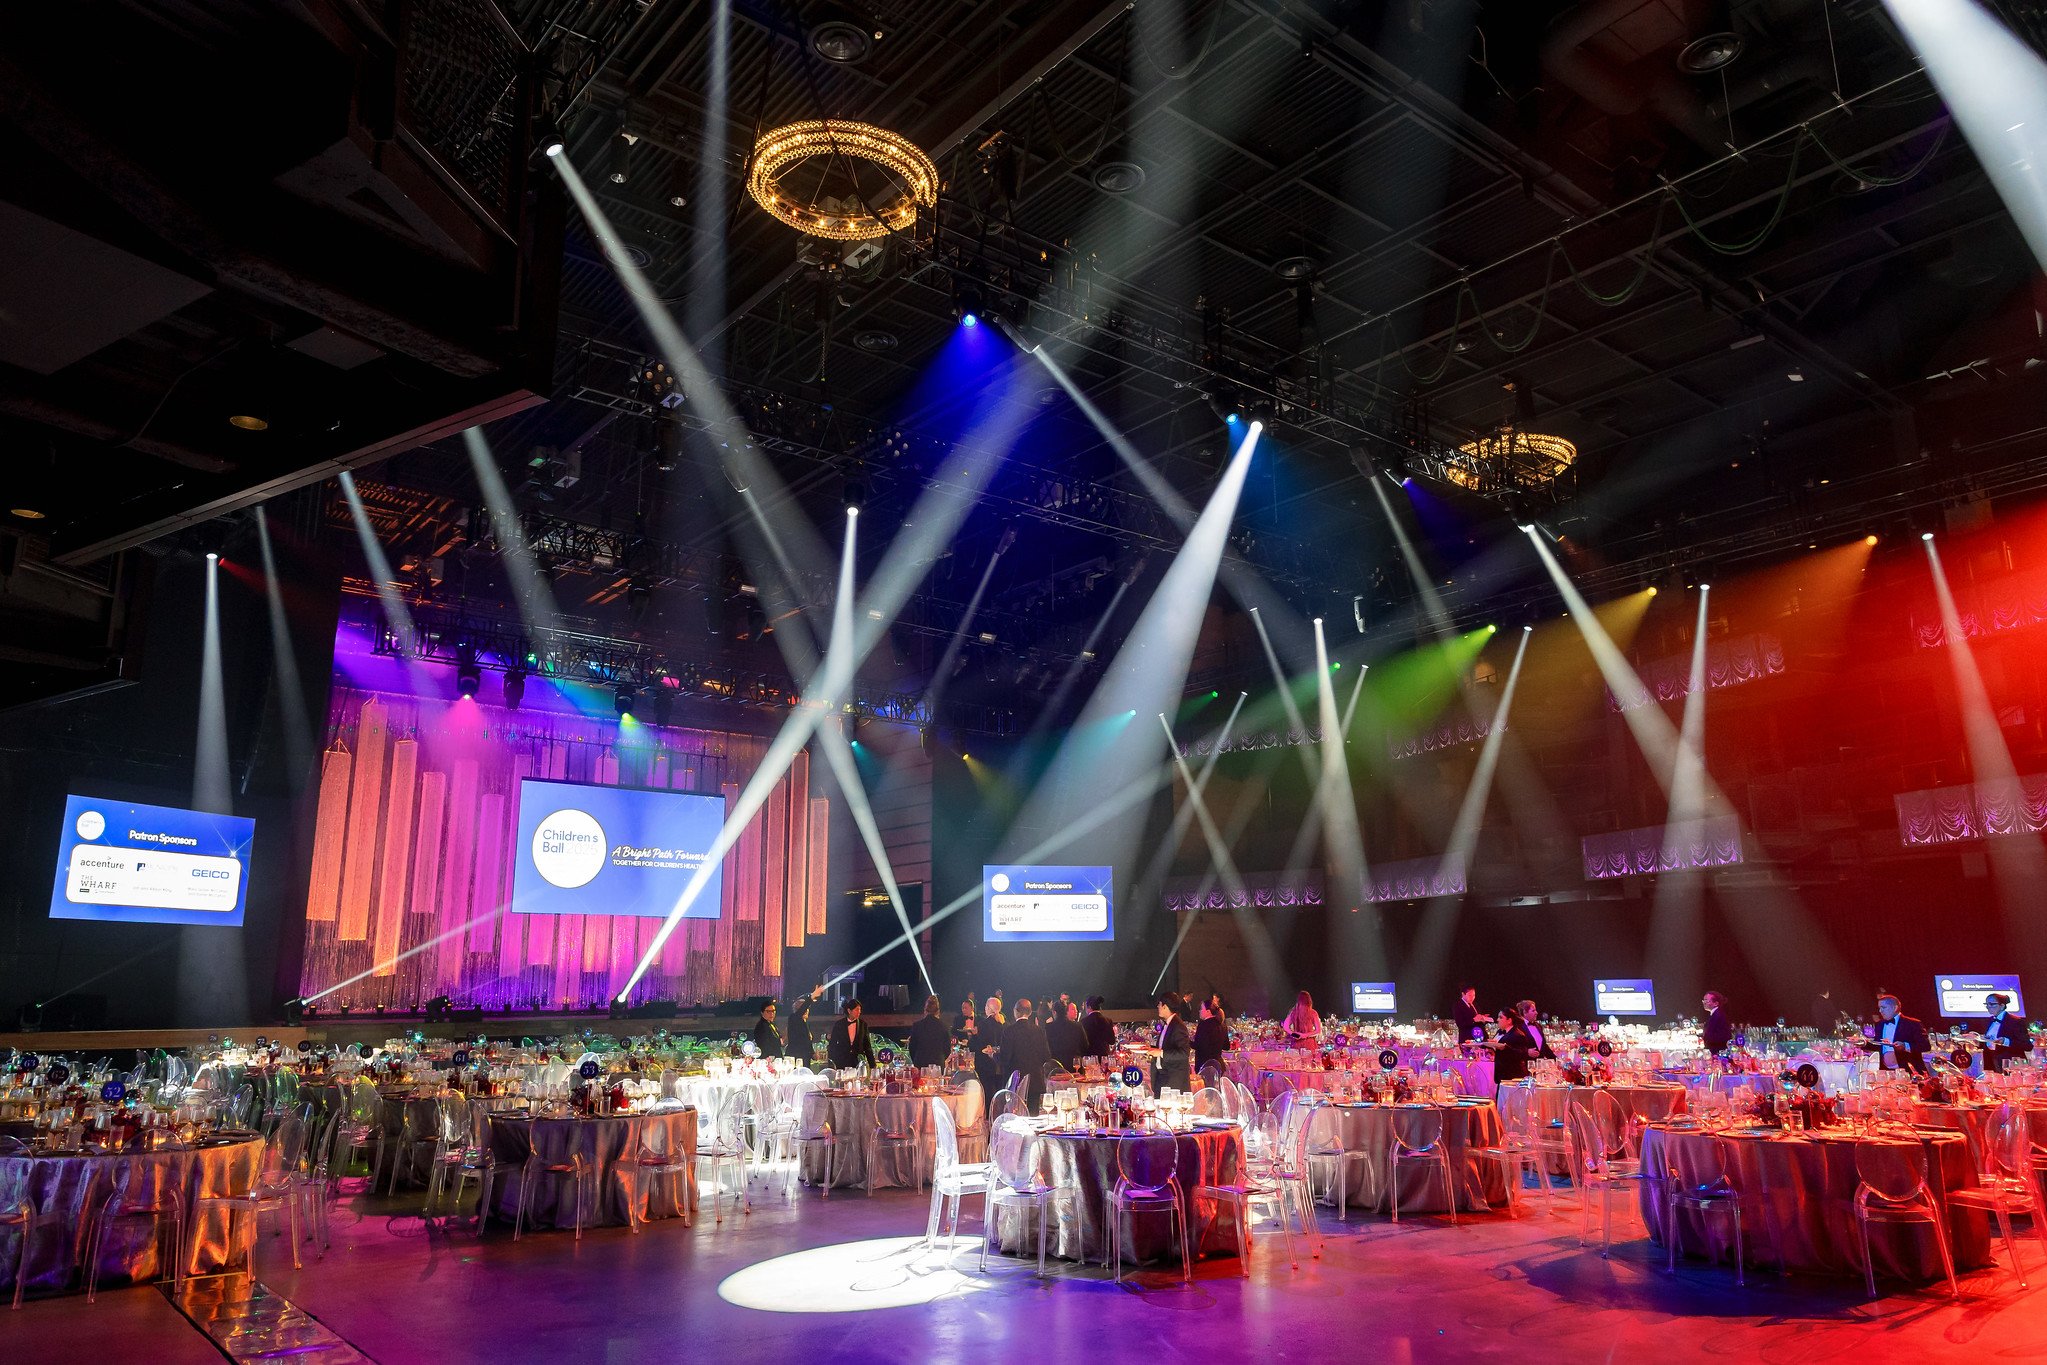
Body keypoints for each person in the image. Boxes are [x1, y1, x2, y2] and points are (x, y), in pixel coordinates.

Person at [998, 998, 1054, 1112]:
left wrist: (993, 1056)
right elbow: (1047, 1056)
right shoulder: (1038, 1030)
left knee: (1015, 1119)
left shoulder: (1009, 1031)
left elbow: (1005, 1059)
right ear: (1029, 1012)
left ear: (1016, 1011)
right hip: (1035, 1081)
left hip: (1015, 1083)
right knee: (1033, 1118)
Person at [1872, 993, 1929, 1075]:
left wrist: (1905, 1046)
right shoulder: (1879, 1024)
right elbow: (1876, 1045)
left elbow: (1925, 1046)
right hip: (1885, 1072)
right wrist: (1862, 1042)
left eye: (1883, 1007)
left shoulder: (1913, 1024)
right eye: (1879, 1008)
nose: (1880, 1011)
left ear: (1895, 1008)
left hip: (1909, 1071)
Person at [1491, 1003, 1544, 1083]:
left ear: (1509, 1020)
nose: (1497, 1020)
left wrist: (1505, 1047)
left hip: (1511, 1076)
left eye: (1500, 1017)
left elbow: (1519, 1053)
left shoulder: (1517, 1034)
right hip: (1503, 1076)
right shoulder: (1500, 1032)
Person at [1151, 993, 1194, 1092]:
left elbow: (1184, 1053)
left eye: (1159, 1004)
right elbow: (1166, 1046)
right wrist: (1150, 1048)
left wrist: (1161, 1053)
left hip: (1173, 1080)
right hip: (1163, 1077)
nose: (1158, 1007)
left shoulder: (1178, 1026)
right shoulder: (1168, 1024)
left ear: (1165, 1006)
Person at [1981, 993, 2033, 1074]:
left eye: (1991, 1004)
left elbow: (2027, 1046)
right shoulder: (1989, 1020)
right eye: (1986, 1004)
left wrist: (2005, 1041)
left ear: (2002, 1006)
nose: (1988, 1006)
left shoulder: (2015, 1021)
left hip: (2011, 1066)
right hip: (1992, 1065)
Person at [826, 998, 877, 1069]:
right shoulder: (839, 1024)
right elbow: (832, 1044)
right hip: (842, 1061)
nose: (859, 1012)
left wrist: (872, 1064)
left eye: (860, 1010)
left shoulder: (863, 1025)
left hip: (858, 1061)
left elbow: (867, 1045)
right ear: (849, 1011)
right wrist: (832, 1063)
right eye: (856, 1010)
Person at [908, 994, 953, 1068]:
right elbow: (947, 1049)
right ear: (938, 1011)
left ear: (925, 1010)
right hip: (938, 1064)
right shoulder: (944, 1026)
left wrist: (916, 1061)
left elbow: (912, 1048)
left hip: (920, 1063)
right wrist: (940, 1058)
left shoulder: (917, 1026)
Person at [1044, 1000, 1088, 1071]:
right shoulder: (1077, 1025)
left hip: (1056, 1067)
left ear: (1054, 1012)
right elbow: (1085, 1045)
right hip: (1075, 1066)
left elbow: (1046, 1047)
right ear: (1066, 1011)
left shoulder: (1049, 1027)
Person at [1193, 995, 1231, 1075]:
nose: (1199, 1011)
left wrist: (1186, 1040)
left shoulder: (1203, 1025)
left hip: (1205, 1066)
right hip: (1218, 1065)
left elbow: (1198, 1046)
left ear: (1208, 1011)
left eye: (1201, 1009)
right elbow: (1226, 1046)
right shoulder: (1222, 1025)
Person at [784, 996, 814, 1065]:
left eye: (807, 1008)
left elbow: (807, 1042)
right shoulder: (793, 1018)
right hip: (795, 1058)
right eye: (804, 1008)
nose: (806, 1010)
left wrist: (812, 1053)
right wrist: (812, 997)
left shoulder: (805, 1023)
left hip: (805, 1058)